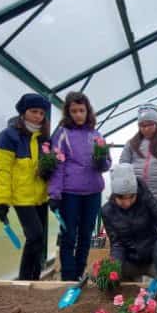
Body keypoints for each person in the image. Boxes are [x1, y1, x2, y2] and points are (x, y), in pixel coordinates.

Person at [48, 91, 111, 281]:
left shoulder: (96, 134)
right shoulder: (62, 134)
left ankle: (79, 272)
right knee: (68, 235)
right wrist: (54, 194)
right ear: (68, 112)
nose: (78, 115)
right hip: (70, 194)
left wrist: (101, 161)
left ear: (87, 111)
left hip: (92, 193)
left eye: (81, 110)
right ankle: (67, 277)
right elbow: (57, 166)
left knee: (86, 235)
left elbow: (107, 163)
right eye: (73, 111)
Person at [101, 163, 157, 295]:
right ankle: (133, 277)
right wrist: (114, 267)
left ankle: (143, 277)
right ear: (114, 194)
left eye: (131, 197)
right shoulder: (107, 211)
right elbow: (116, 243)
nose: (127, 203)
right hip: (130, 260)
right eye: (122, 198)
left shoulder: (146, 199)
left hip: (153, 258)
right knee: (105, 279)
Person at [0, 93, 51, 281]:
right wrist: (2, 201)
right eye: (34, 111)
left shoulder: (43, 138)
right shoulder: (8, 136)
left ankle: (34, 279)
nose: (38, 116)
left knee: (39, 240)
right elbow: (3, 171)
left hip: (40, 197)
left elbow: (48, 168)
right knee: (34, 236)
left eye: (42, 113)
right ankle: (24, 280)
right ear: (23, 112)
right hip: (22, 198)